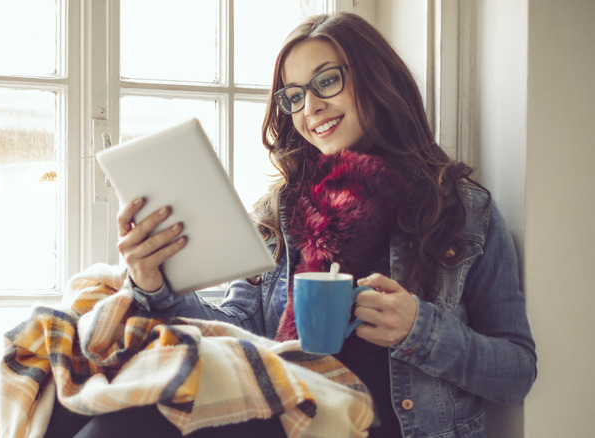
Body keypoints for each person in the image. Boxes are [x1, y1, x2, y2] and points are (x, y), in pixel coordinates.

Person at [50, 12, 537, 438]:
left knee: (123, 423)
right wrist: (154, 284)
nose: (310, 108)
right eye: (294, 95)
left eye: (327, 81)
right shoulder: (281, 213)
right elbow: (239, 330)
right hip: (286, 415)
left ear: (376, 78)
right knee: (72, 398)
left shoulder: (461, 212)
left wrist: (419, 329)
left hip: (380, 428)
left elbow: (517, 370)